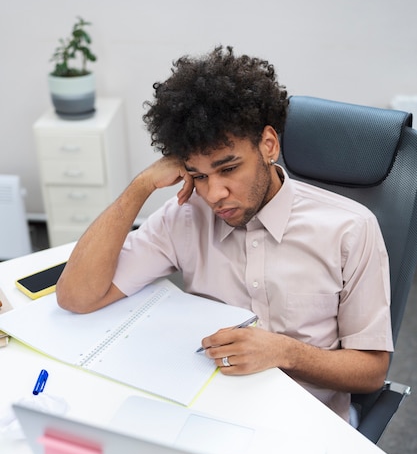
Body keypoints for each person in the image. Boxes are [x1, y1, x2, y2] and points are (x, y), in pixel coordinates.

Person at [56, 45, 393, 422]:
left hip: (307, 426)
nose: (214, 194)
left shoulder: (350, 227)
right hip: (206, 414)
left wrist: (284, 352)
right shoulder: (184, 217)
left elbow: (371, 370)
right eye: (198, 175)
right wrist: (141, 187)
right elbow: (77, 296)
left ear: (268, 145)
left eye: (228, 168)